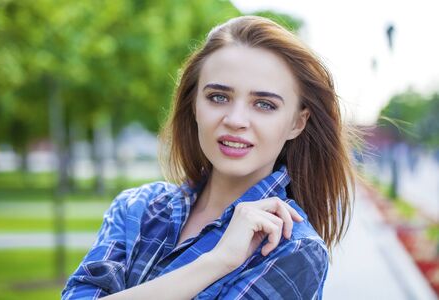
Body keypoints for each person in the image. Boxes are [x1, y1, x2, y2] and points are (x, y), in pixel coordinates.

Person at [62, 15, 355, 300]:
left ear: (296, 123)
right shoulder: (137, 208)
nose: (236, 119)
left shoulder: (293, 249)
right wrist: (217, 262)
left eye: (264, 104)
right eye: (218, 97)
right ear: (194, 105)